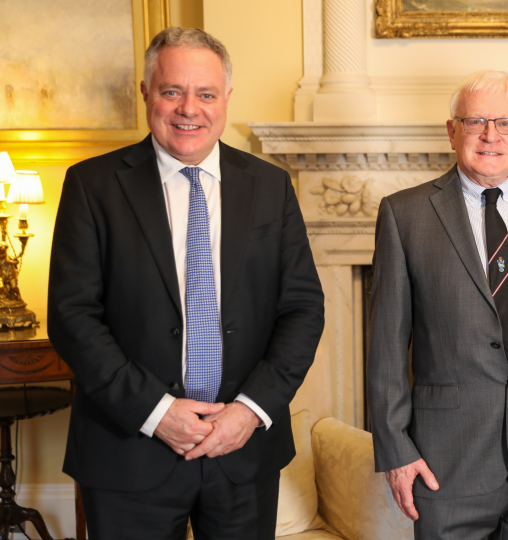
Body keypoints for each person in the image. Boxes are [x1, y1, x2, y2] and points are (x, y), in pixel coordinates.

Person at [48, 27, 324, 539]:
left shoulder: (270, 187)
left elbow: (303, 309)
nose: (188, 109)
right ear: (146, 93)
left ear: (226, 99)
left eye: (205, 94)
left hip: (242, 452)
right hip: (129, 452)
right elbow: (72, 317)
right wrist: (156, 413)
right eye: (172, 91)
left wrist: (250, 410)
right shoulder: (92, 186)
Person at [367, 70, 508, 540]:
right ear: (452, 131)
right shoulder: (404, 214)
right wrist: (395, 450)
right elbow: (385, 345)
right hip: (445, 462)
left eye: (505, 122)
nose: (491, 135)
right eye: (475, 121)